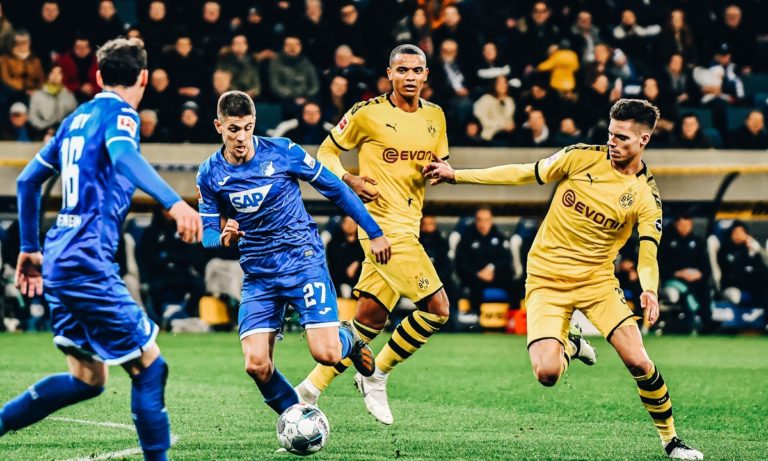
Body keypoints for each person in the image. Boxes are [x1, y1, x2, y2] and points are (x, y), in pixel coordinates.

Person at [423, 99, 703, 460]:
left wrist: (649, 289)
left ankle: (671, 441)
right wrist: (458, 175)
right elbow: (523, 173)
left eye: (622, 137)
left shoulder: (645, 196)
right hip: (546, 277)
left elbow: (648, 251)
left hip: (596, 283)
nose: (612, 142)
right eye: (610, 133)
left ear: (644, 140)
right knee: (547, 373)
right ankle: (571, 346)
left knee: (639, 361)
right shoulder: (580, 157)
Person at [1, 37, 202, 461]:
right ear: (144, 78)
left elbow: (27, 181)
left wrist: (29, 247)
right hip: (87, 260)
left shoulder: (75, 119)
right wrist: (174, 202)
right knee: (150, 366)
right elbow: (124, 154)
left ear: (97, 75)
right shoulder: (121, 115)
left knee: (88, 377)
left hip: (59, 256)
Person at [196, 90, 391, 422]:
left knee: (326, 354)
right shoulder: (210, 174)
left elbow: (335, 188)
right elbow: (207, 234)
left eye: (247, 128)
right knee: (256, 365)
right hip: (259, 274)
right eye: (233, 129)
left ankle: (349, 338)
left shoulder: (284, 152)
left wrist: (374, 232)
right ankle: (299, 419)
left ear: (254, 123)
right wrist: (222, 237)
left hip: (302, 261)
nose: (241, 137)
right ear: (219, 126)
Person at [294, 44, 451, 426]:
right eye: (402, 70)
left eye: (416, 70)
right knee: (438, 309)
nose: (410, 76)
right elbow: (325, 153)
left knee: (368, 320)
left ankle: (309, 389)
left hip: (409, 226)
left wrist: (439, 170)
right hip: (379, 229)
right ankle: (377, 374)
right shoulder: (367, 112)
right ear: (389, 74)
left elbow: (440, 160)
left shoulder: (435, 116)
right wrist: (349, 179)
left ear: (426, 75)